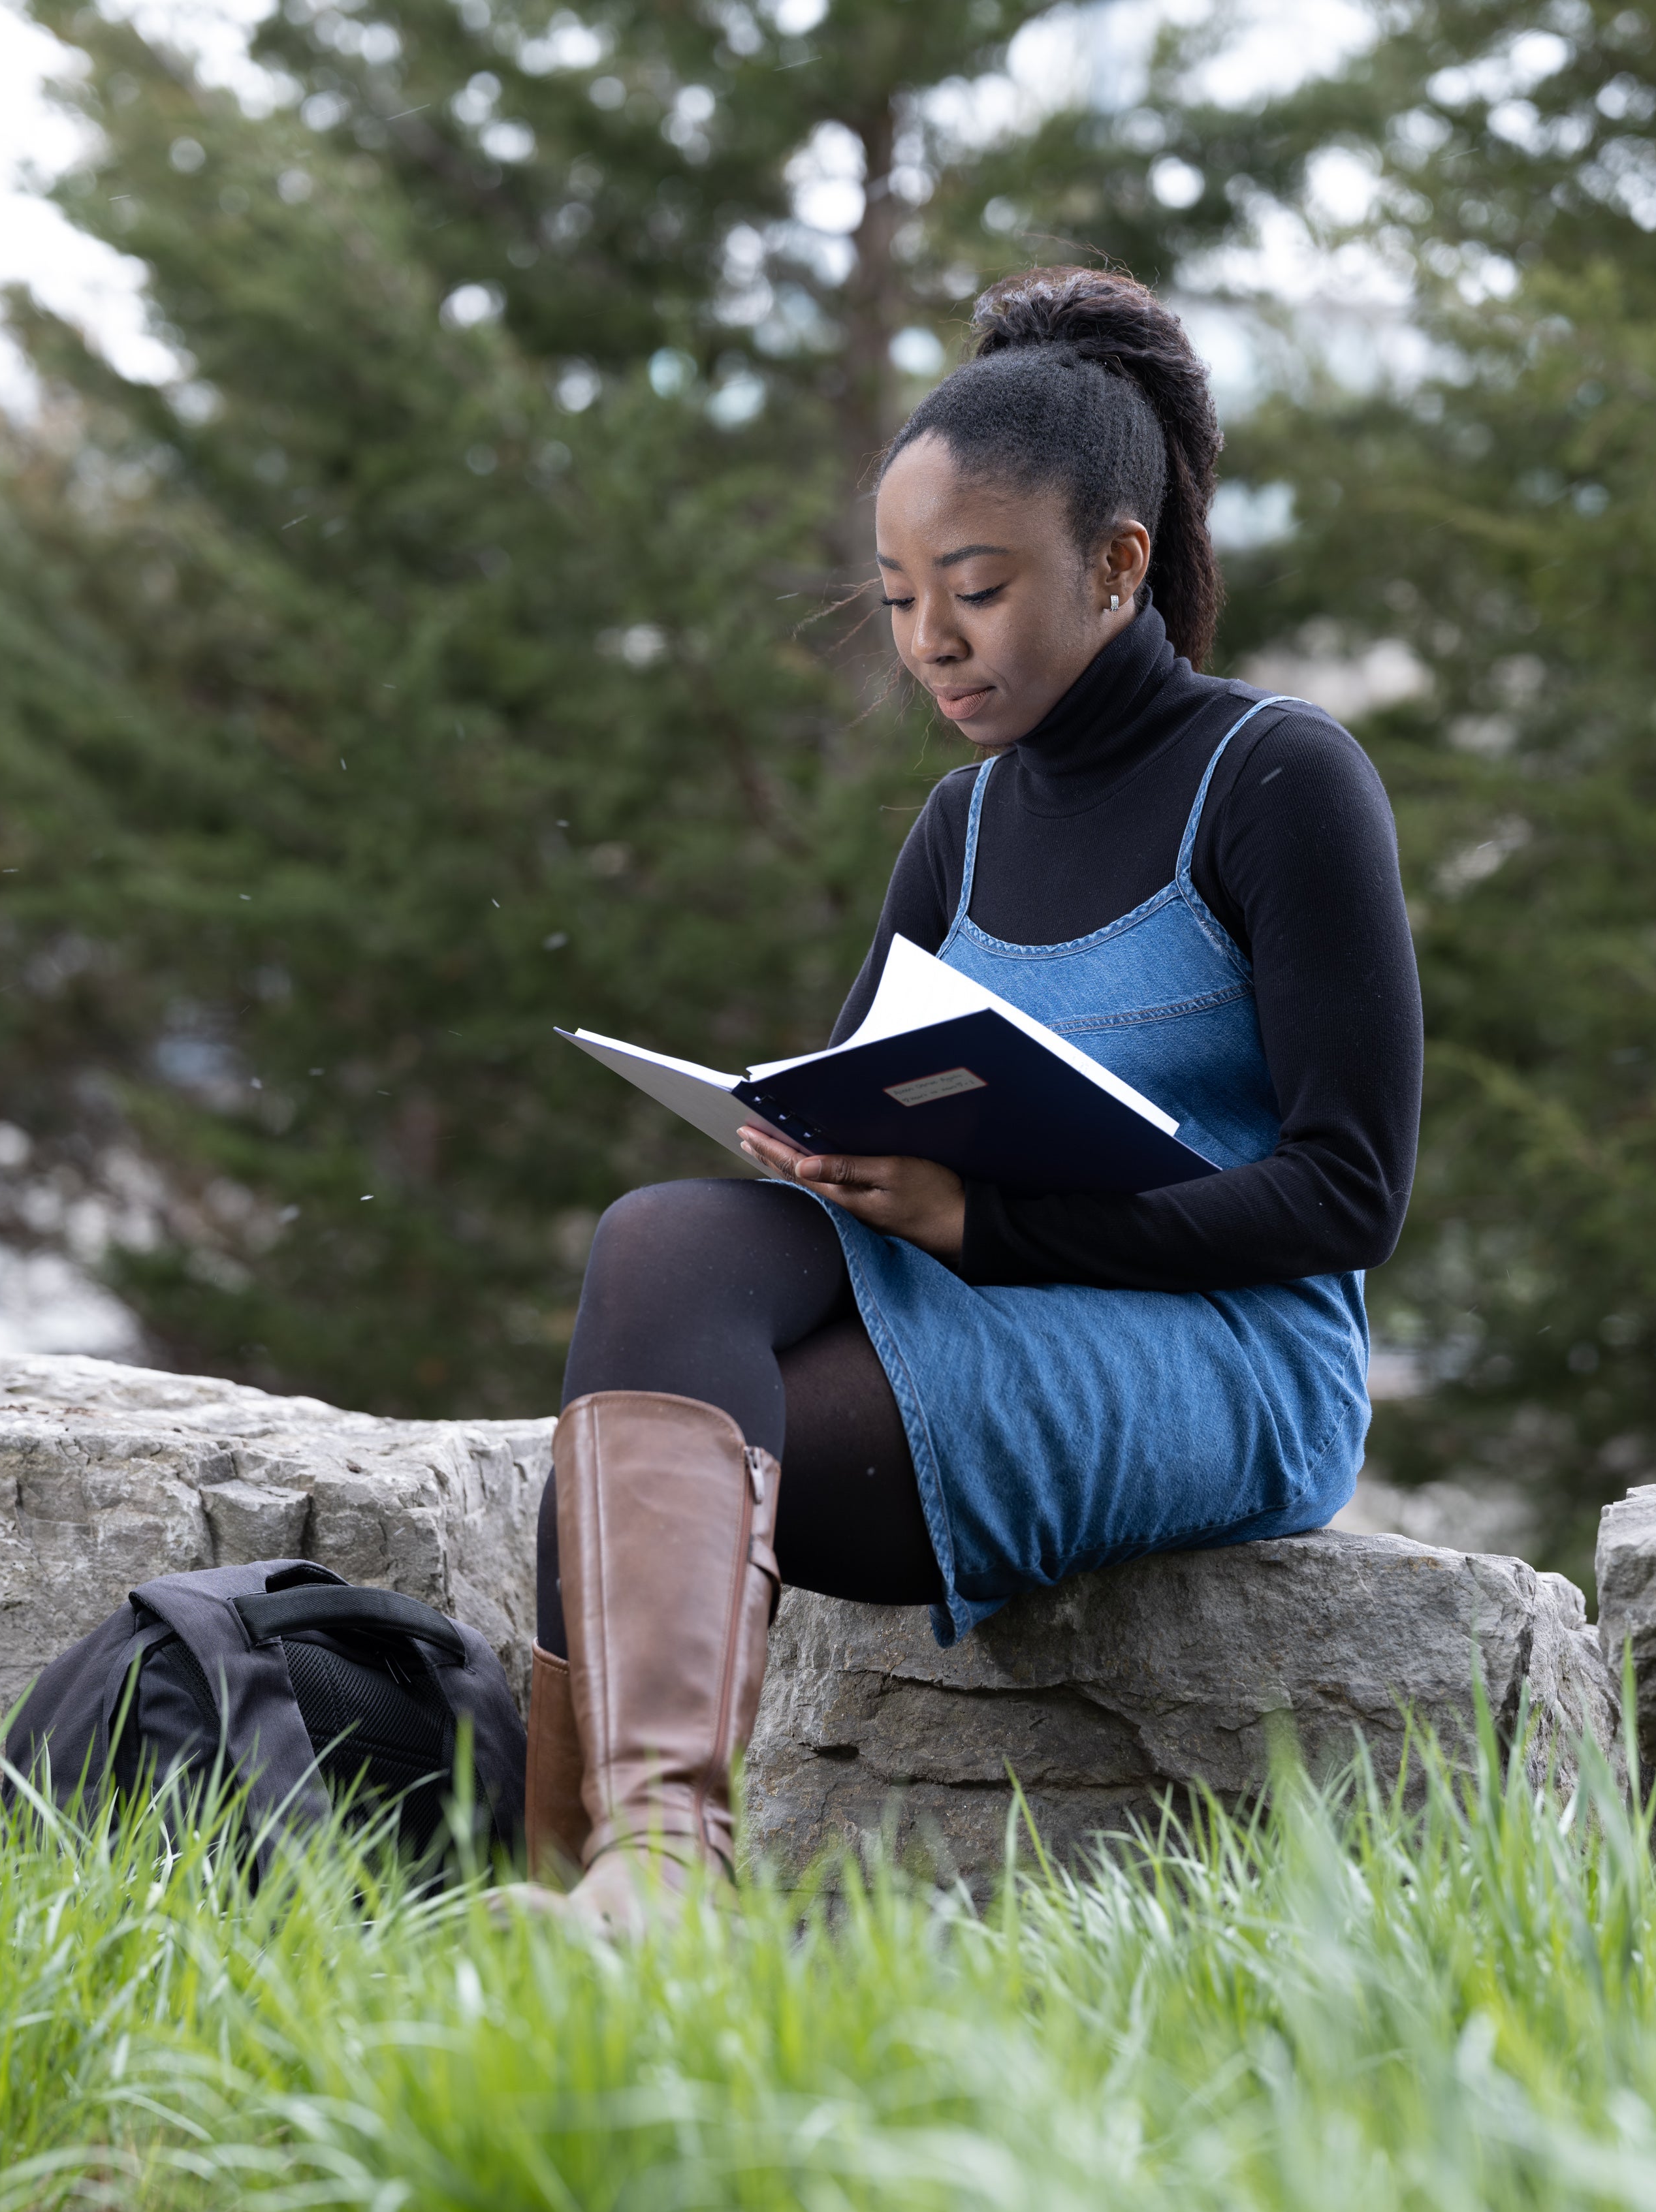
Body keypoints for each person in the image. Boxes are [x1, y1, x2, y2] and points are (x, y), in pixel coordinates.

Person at [515, 268, 1424, 1928]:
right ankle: (634, 1885)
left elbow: (1347, 1193)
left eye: (978, 589)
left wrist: (985, 1217)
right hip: (988, 1287)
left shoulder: (1280, 778)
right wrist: (820, 1147)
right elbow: (859, 1131)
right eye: (897, 599)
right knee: (662, 1247)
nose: (933, 639)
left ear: (1118, 562)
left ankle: (633, 1882)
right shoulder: (965, 826)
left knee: (674, 1426)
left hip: (1233, 1351)